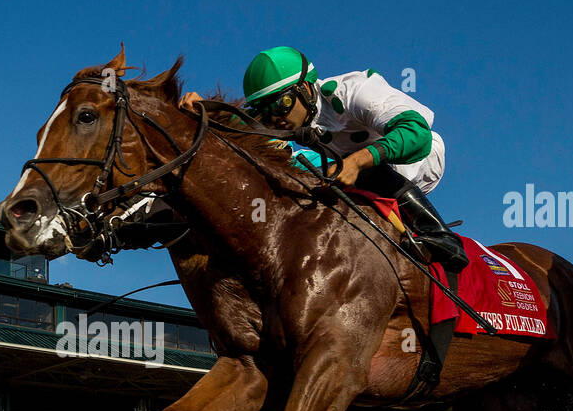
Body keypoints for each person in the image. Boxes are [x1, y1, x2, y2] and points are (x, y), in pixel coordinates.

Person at [182, 46, 467, 274]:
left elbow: (416, 135)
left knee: (367, 170)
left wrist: (356, 162)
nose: (274, 118)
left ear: (305, 88)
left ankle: (441, 237)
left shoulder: (357, 90)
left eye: (280, 105)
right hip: (345, 164)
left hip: (415, 157)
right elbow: (239, 123)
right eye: (264, 110)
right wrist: (202, 108)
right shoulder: (279, 114)